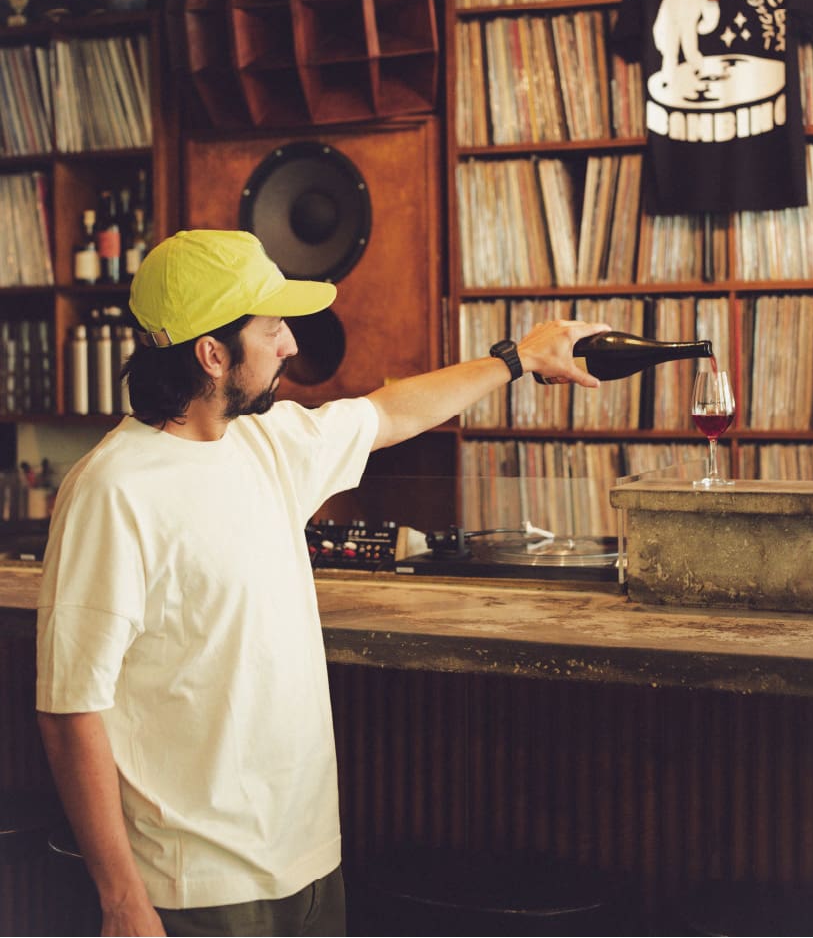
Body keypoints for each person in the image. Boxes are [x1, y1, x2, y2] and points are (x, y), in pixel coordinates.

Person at [36, 228, 609, 938]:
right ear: (212, 354)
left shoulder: (264, 440)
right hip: (198, 886)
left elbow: (392, 411)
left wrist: (519, 358)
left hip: (308, 859)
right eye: (272, 328)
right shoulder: (111, 490)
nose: (290, 346)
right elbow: (70, 710)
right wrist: (123, 899)